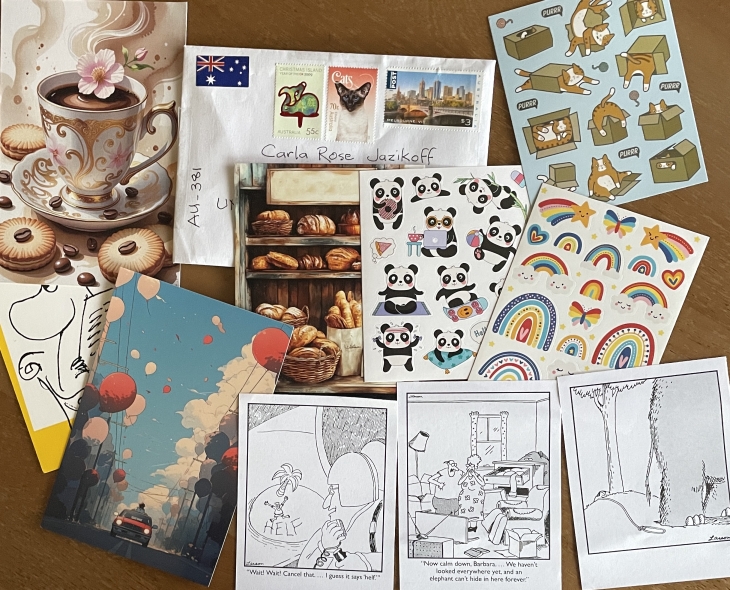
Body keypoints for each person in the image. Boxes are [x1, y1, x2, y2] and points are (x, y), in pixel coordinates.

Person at [298, 451, 383, 571]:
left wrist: (364, 562)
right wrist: (323, 547)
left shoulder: (381, 518)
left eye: (333, 492)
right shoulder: (329, 529)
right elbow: (302, 566)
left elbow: (395, 558)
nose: (326, 504)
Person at [458, 454, 486, 532]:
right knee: (465, 511)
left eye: (472, 465)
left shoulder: (477, 475)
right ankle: (467, 526)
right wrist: (466, 474)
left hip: (476, 496)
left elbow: (482, 483)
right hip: (466, 496)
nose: (470, 467)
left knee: (475, 511)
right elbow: (459, 482)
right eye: (468, 465)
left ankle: (474, 527)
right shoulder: (465, 475)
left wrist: (474, 475)